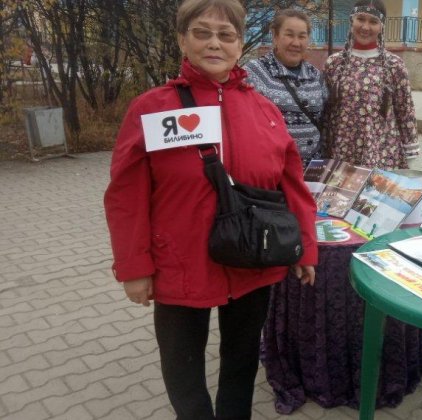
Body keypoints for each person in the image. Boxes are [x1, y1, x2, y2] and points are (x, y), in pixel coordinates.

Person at [103, 1, 318, 419]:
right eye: (202, 32)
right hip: (179, 263)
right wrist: (133, 267)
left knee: (241, 362)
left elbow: (291, 184)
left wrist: (306, 247)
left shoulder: (264, 111)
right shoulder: (153, 108)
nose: (214, 43)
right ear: (182, 40)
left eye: (226, 35)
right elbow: (126, 195)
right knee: (182, 369)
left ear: (240, 44)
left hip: (252, 260)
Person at [323, 0, 420, 170]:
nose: (365, 27)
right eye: (361, 19)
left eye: (373, 21)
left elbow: (405, 113)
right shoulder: (334, 63)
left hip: (381, 155)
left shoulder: (394, 65)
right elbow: (325, 112)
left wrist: (411, 157)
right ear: (352, 20)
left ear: (381, 26)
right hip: (341, 154)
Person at [244, 9, 328, 166]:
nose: (296, 43)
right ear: (275, 37)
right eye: (289, 35)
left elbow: (325, 121)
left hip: (312, 169)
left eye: (302, 36)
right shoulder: (254, 72)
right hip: (275, 169)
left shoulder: (315, 75)